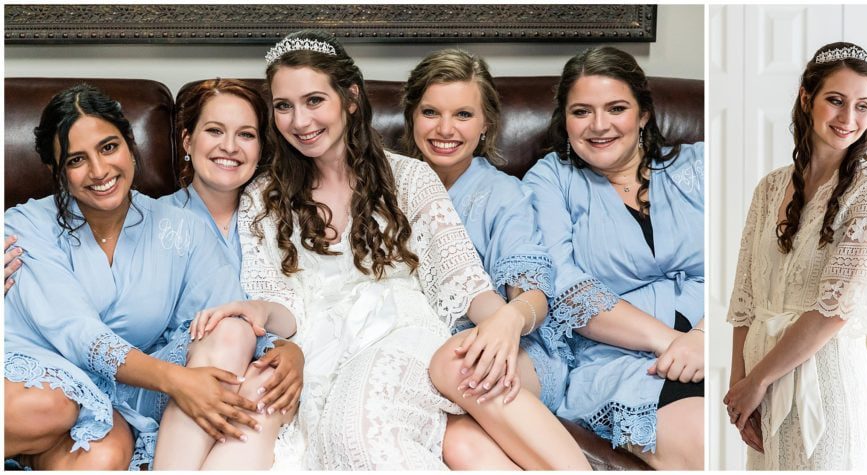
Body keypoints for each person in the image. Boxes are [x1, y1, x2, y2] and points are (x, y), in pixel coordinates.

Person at [232, 30, 585, 470]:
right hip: (317, 348)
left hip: (400, 331)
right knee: (329, 440)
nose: (300, 121)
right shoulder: (260, 197)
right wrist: (260, 313)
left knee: (358, 430)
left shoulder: (411, 177)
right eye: (284, 106)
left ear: (351, 98)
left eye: (314, 101)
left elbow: (463, 281)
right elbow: (280, 305)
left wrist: (505, 324)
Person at [3, 84, 295, 470]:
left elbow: (223, 317)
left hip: (119, 396)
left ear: (130, 144)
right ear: (56, 171)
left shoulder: (183, 229)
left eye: (109, 147)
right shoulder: (25, 226)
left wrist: (284, 351)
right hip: (34, 374)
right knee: (52, 407)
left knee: (105, 455)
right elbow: (76, 332)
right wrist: (176, 380)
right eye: (76, 160)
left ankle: (24, 452)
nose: (99, 171)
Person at [400, 48, 589, 469]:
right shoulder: (388, 186)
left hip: (510, 354)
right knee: (460, 445)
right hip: (421, 358)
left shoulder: (504, 195)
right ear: (411, 115)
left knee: (458, 362)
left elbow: (535, 293)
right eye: (431, 112)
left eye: (463, 115)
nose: (445, 129)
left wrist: (507, 320)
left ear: (487, 123)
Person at [522, 46, 706, 470]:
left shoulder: (700, 165)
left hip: (722, 340)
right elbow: (563, 288)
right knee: (702, 441)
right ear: (564, 120)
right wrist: (674, 343)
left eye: (616, 108)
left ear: (643, 114)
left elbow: (749, 261)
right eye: (582, 111)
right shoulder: (550, 181)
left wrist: (705, 336)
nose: (599, 126)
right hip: (624, 359)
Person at [723, 42, 867, 470]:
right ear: (807, 97)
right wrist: (738, 386)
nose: (848, 119)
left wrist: (757, 380)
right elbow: (745, 302)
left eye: (862, 106)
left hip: (828, 394)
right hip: (760, 391)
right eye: (835, 101)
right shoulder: (768, 189)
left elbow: (836, 309)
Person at [152, 78, 305, 469]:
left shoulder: (279, 222)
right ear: (187, 141)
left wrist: (290, 350)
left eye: (246, 135)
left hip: (261, 372)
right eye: (215, 131)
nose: (230, 147)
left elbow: (303, 307)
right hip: (179, 375)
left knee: (265, 387)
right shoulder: (150, 221)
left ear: (261, 149)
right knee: (232, 336)